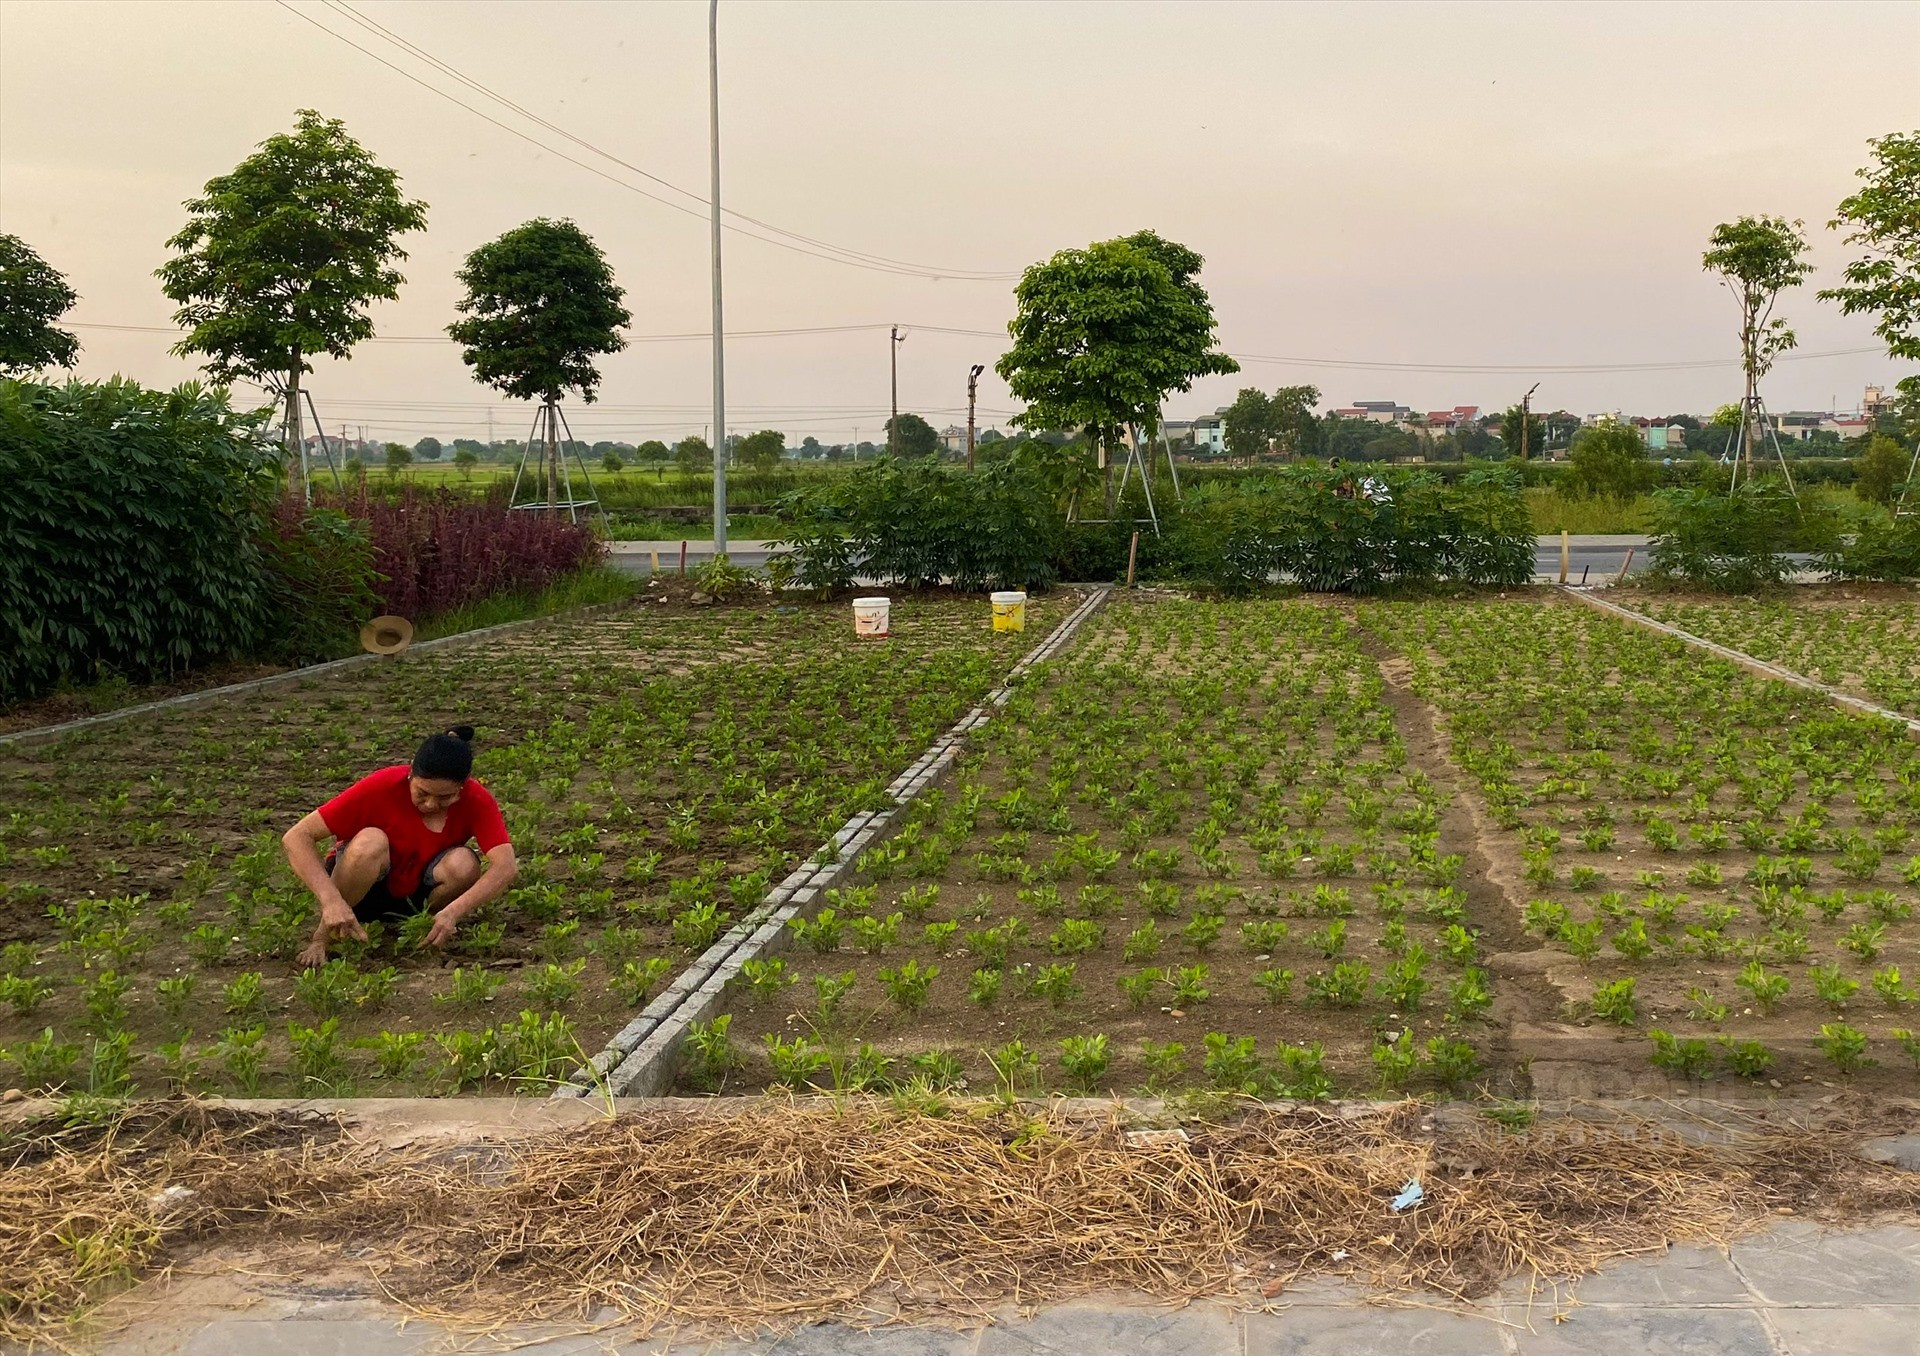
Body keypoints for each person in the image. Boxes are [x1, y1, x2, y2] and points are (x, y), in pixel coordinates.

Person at [283, 726, 517, 968]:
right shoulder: (382, 785)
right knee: (370, 841)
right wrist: (331, 901)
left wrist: (454, 911)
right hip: (361, 885)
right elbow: (297, 837)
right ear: (410, 773)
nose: (430, 804)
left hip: (415, 890)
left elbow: (505, 866)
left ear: (462, 786)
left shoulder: (477, 800)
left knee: (464, 863)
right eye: (422, 793)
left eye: (445, 798)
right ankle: (324, 936)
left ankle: (423, 925)